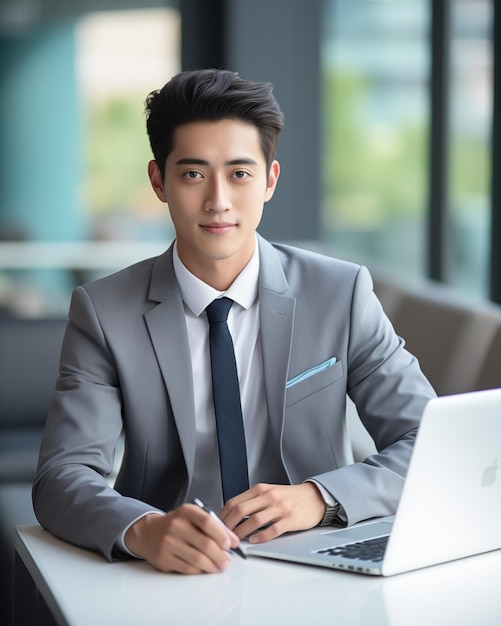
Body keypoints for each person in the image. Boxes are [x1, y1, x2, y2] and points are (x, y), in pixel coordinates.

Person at [33, 68, 435, 576]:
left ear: (269, 180)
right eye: (194, 174)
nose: (218, 200)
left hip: (317, 560)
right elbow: (61, 476)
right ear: (159, 181)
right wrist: (142, 529)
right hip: (169, 571)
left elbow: (429, 443)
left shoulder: (341, 293)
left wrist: (320, 496)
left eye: (240, 174)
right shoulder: (104, 311)